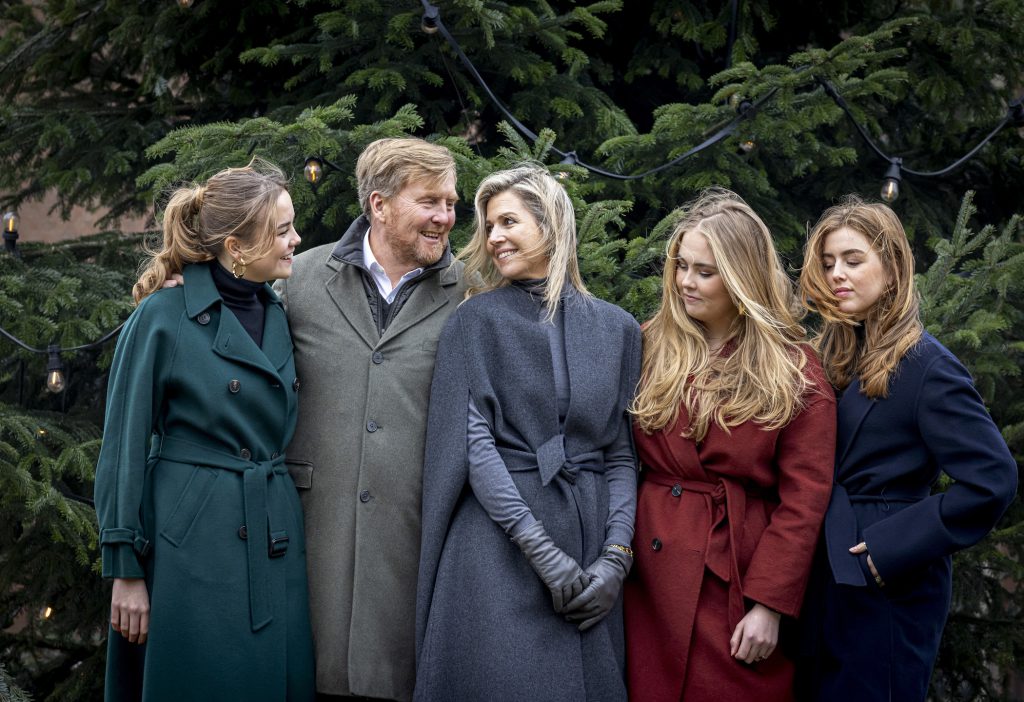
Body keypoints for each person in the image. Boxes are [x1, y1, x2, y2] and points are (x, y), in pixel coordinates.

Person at [414, 165, 641, 701]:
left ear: (551, 225)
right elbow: (475, 447)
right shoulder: (475, 321)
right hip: (498, 551)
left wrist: (615, 558)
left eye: (508, 221)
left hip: (590, 549)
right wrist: (542, 552)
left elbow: (622, 457)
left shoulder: (619, 329)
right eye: (489, 226)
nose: (493, 238)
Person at [94, 159, 315, 701]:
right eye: (283, 230)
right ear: (237, 246)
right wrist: (124, 569)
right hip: (190, 539)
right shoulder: (164, 315)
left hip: (273, 531)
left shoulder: (281, 313)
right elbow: (123, 441)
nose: (297, 239)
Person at [795, 197, 1017, 702]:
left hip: (887, 587)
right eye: (829, 263)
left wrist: (891, 545)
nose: (837, 275)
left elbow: (992, 479)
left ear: (892, 268)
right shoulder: (833, 354)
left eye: (853, 261)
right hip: (823, 581)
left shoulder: (927, 365)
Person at [624, 188, 836, 702]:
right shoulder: (649, 343)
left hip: (735, 575)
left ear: (741, 278)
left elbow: (804, 501)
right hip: (648, 573)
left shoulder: (793, 370)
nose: (685, 282)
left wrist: (769, 603)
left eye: (704, 271)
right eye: (681, 265)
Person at [275, 137, 468, 701]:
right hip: (310, 536)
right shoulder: (299, 279)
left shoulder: (473, 293)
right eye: (429, 202)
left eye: (451, 203)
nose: (445, 218)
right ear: (379, 205)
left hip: (414, 545)